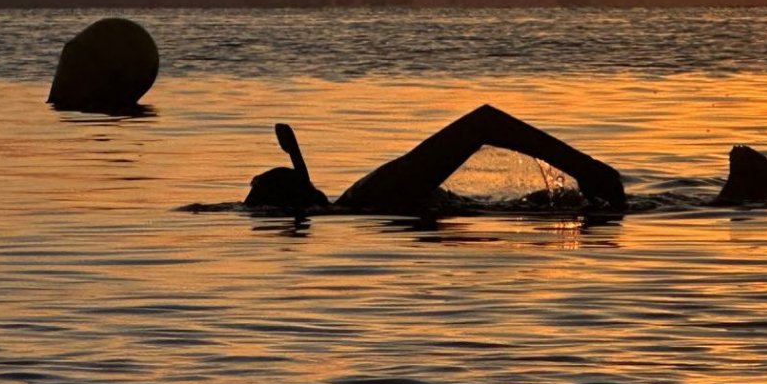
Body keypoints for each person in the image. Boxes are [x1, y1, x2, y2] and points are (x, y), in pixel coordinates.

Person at [245, 104, 626, 215]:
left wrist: (586, 169)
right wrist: (585, 168)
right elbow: (485, 123)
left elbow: (484, 122)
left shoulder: (375, 195)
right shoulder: (373, 197)